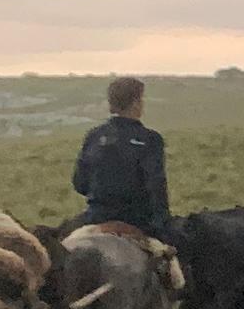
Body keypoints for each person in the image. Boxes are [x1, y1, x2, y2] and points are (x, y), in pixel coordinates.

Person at [72, 76, 174, 248]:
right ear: (135, 103)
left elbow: (80, 184)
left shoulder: (94, 136)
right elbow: (156, 187)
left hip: (95, 219)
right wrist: (163, 225)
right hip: (138, 222)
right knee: (171, 264)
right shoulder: (151, 139)